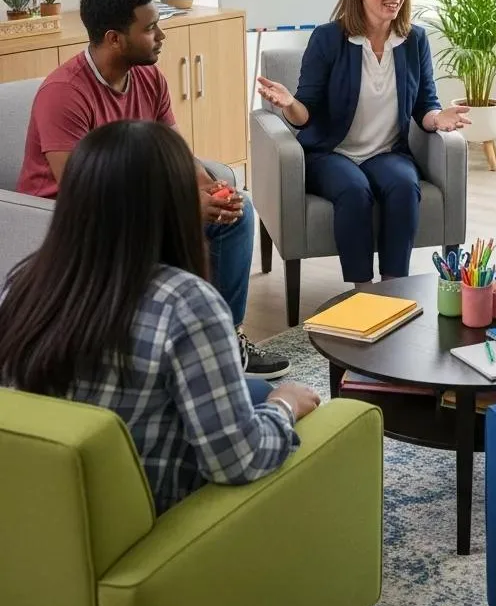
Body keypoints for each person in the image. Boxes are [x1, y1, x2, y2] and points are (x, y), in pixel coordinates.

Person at [0, 121, 321, 515]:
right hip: (147, 523)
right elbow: (239, 460)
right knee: (290, 403)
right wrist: (285, 406)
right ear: (174, 204)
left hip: (46, 512)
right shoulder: (187, 303)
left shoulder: (23, 284)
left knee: (252, 393)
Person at [15, 0, 289, 379]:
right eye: (149, 28)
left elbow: (173, 149)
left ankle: (224, 339)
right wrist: (179, 205)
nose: (161, 35)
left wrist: (206, 186)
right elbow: (83, 189)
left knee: (238, 212)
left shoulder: (148, 76)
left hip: (135, 201)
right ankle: (175, 350)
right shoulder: (64, 93)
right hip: (76, 214)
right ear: (114, 38)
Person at [256, 0, 469, 283]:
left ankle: (394, 286)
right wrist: (288, 104)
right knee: (355, 192)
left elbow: (425, 104)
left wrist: (437, 118)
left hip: (386, 152)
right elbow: (305, 114)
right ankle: (362, 290)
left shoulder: (415, 39)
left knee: (403, 186)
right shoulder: (328, 39)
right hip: (331, 152)